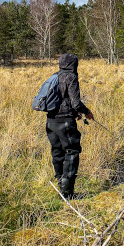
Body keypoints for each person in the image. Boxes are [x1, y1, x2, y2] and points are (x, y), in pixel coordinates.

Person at [46, 53, 94, 199]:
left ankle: (61, 186)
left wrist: (75, 113)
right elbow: (75, 102)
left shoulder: (54, 76)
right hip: (65, 122)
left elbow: (61, 100)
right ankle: (67, 194)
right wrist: (86, 112)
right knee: (72, 153)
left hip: (50, 121)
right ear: (74, 64)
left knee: (57, 152)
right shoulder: (71, 77)